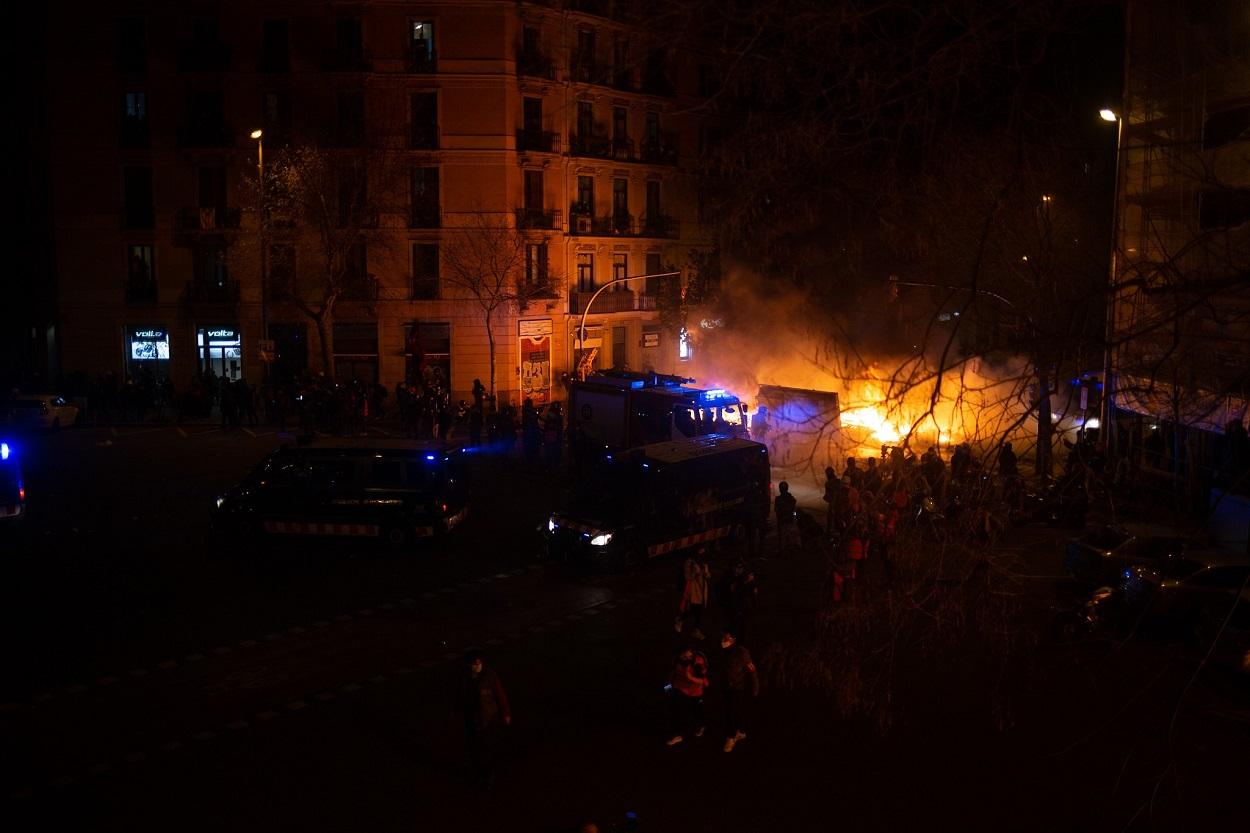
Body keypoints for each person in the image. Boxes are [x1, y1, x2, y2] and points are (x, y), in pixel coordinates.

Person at [455, 651, 511, 790]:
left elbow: (500, 694)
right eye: (475, 663)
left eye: (479, 662)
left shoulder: (490, 676)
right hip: (471, 720)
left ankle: (488, 776)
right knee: (474, 749)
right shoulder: (464, 678)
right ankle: (479, 774)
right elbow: (459, 697)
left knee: (487, 749)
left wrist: (506, 713)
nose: (477, 665)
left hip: (488, 720)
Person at [719, 630, 759, 753]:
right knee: (732, 710)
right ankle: (740, 731)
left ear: (733, 640)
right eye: (723, 638)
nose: (723, 641)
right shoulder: (723, 652)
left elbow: (752, 671)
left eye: (726, 638)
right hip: (726, 686)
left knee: (731, 712)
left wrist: (755, 687)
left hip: (738, 687)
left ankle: (731, 737)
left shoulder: (742, 653)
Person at [664, 647, 710, 746]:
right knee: (677, 709)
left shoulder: (697, 662)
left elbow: (705, 683)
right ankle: (678, 734)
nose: (683, 657)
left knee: (697, 710)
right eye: (681, 655)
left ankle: (701, 725)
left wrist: (690, 677)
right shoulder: (677, 658)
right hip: (679, 688)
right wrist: (667, 687)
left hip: (695, 691)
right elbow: (672, 673)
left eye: (686, 655)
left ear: (690, 652)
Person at [676, 557, 711, 640]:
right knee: (694, 611)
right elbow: (688, 577)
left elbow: (708, 575)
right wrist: (697, 572)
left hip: (701, 592)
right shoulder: (690, 562)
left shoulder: (703, 563)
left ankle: (694, 629)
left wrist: (705, 572)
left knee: (697, 612)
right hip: (694, 592)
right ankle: (681, 620)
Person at [774, 481, 798, 557]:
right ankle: (788, 551)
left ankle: (784, 552)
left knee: (784, 537)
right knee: (788, 537)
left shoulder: (778, 499)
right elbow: (794, 510)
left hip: (784, 521)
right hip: (787, 520)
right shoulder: (791, 499)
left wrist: (794, 517)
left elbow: (777, 510)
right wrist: (794, 517)